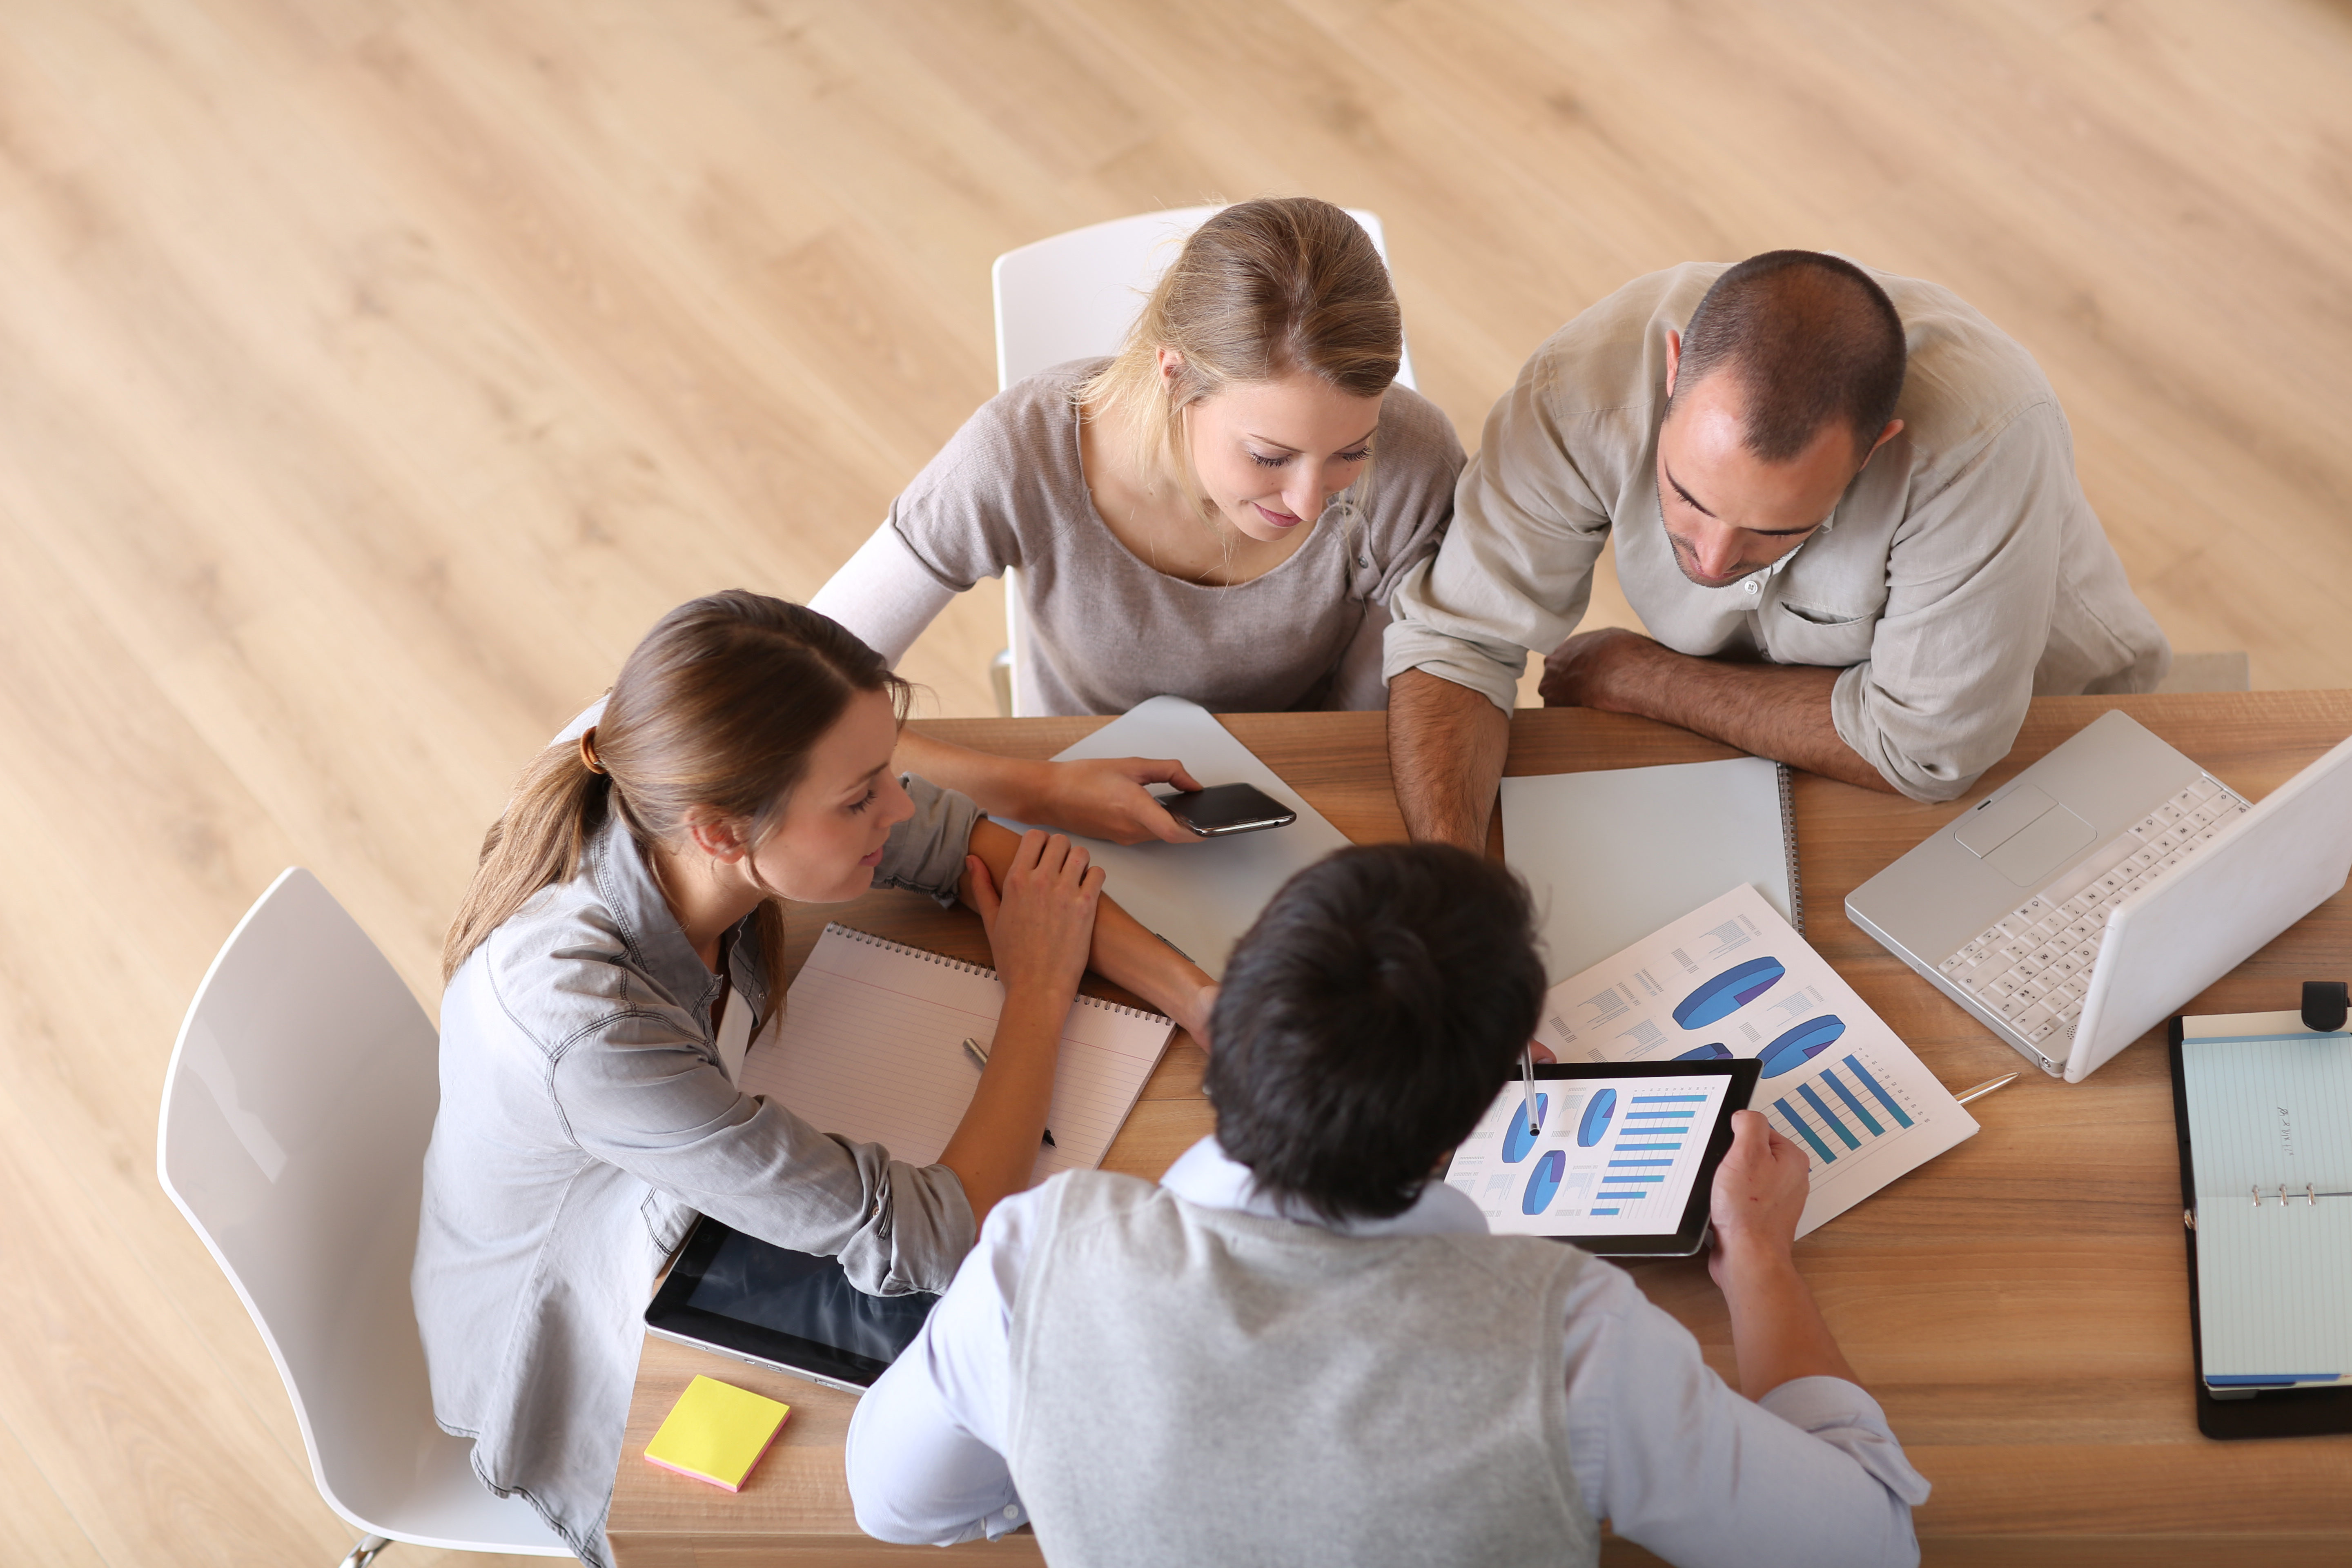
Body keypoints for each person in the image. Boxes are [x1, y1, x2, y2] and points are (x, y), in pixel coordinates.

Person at [410, 591, 1214, 1567]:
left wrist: (1198, 998)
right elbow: (934, 1235)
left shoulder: (655, 761)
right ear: (719, 832)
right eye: (861, 796)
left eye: (887, 772)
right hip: (581, 1341)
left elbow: (969, 846)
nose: (902, 807)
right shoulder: (590, 1027)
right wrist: (1037, 991)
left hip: (678, 1191)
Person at [845, 843, 1928, 1567]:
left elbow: (895, 1504)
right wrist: (1758, 1256)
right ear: (1486, 1097)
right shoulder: (1573, 1344)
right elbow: (1870, 1541)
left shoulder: (1037, 1262)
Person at [1383, 249, 2170, 848]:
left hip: (2041, 737)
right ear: (1672, 370)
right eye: (1688, 496)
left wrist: (1642, 675)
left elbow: (1931, 755)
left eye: (1776, 528)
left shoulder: (1980, 441)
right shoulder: (1580, 387)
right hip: (1786, 737)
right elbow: (1457, 640)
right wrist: (1453, 886)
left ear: (1874, 451)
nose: (1715, 563)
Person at [811, 196, 1465, 846]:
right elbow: (796, 687)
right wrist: (1040, 789)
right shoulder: (1019, 454)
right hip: (1069, 778)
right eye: (1270, 456)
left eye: (1352, 453)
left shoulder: (1413, 462)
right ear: (1175, 378)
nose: (1308, 505)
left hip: (1297, 791)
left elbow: (1365, 729)